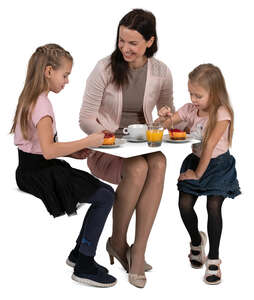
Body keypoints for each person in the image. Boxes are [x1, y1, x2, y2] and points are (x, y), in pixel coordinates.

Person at [79, 9, 175, 288]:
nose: (125, 48)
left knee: (158, 162)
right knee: (138, 166)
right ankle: (118, 243)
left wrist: (167, 117)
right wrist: (110, 137)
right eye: (122, 40)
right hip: (107, 149)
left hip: (142, 145)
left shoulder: (161, 72)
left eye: (133, 42)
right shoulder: (104, 68)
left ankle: (138, 252)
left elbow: (166, 116)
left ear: (149, 42)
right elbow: (85, 118)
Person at [10, 44, 117, 288]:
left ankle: (79, 253)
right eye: (65, 74)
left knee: (104, 194)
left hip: (29, 169)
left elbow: (39, 147)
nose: (67, 81)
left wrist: (73, 152)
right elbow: (48, 151)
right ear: (49, 71)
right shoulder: (42, 105)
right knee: (105, 195)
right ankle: (84, 264)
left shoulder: (31, 98)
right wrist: (88, 140)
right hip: (39, 173)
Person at [158, 64, 241, 285]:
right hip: (196, 161)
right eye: (191, 94)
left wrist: (196, 174)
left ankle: (213, 257)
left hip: (218, 164)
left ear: (214, 93)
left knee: (213, 207)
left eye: (198, 95)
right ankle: (196, 241)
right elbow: (165, 125)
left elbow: (211, 145)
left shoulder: (221, 113)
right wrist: (163, 117)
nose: (193, 99)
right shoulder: (189, 109)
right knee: (184, 204)